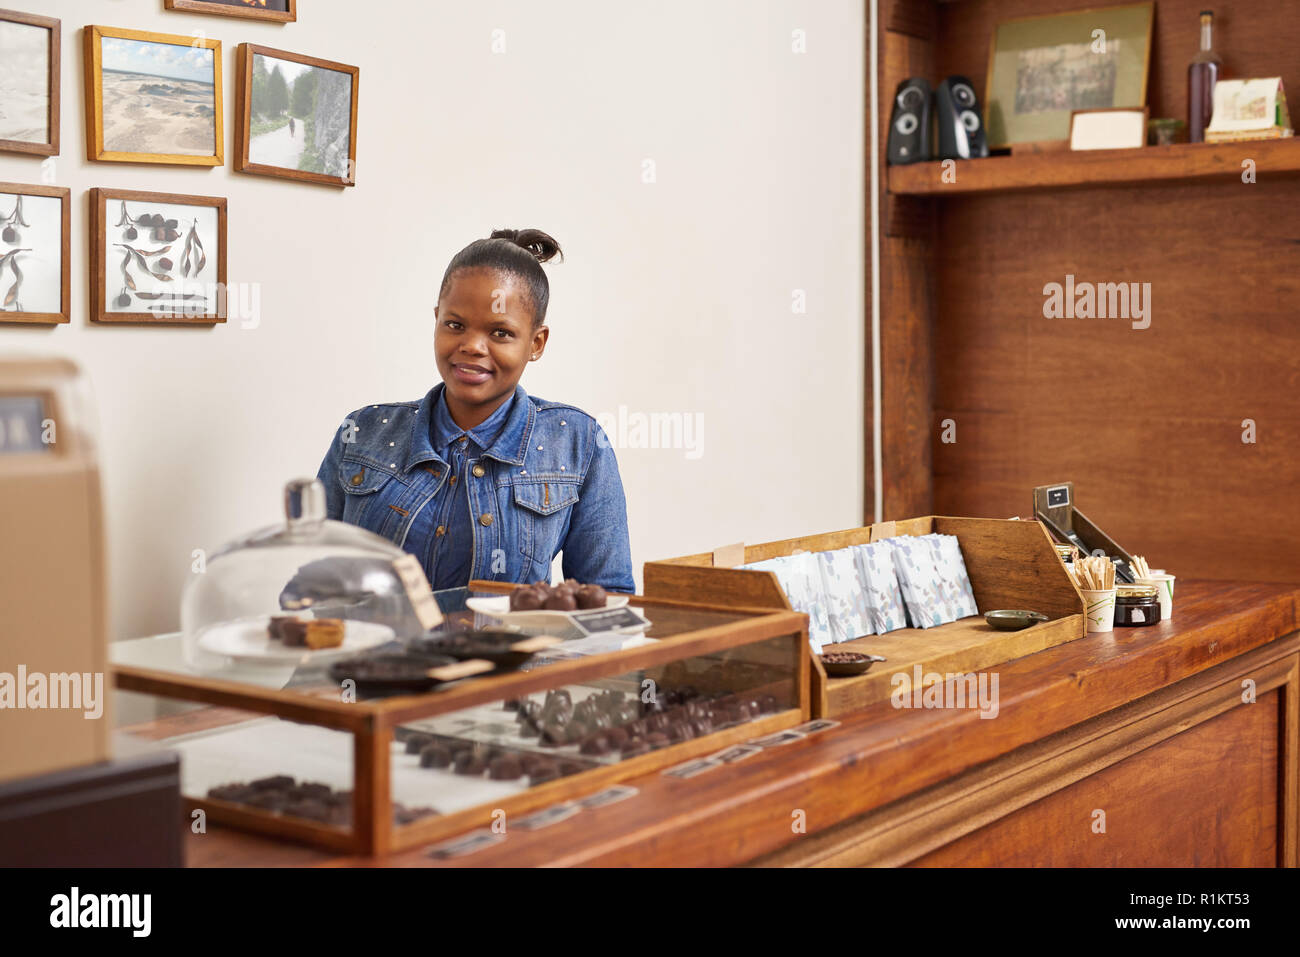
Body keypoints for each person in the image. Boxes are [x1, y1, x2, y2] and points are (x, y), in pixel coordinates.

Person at [316, 228, 634, 593]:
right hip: (375, 651)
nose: (472, 346)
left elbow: (608, 600)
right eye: (455, 325)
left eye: (500, 333)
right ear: (436, 320)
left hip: (513, 651)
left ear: (536, 342)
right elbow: (313, 584)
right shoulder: (363, 432)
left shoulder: (578, 442)